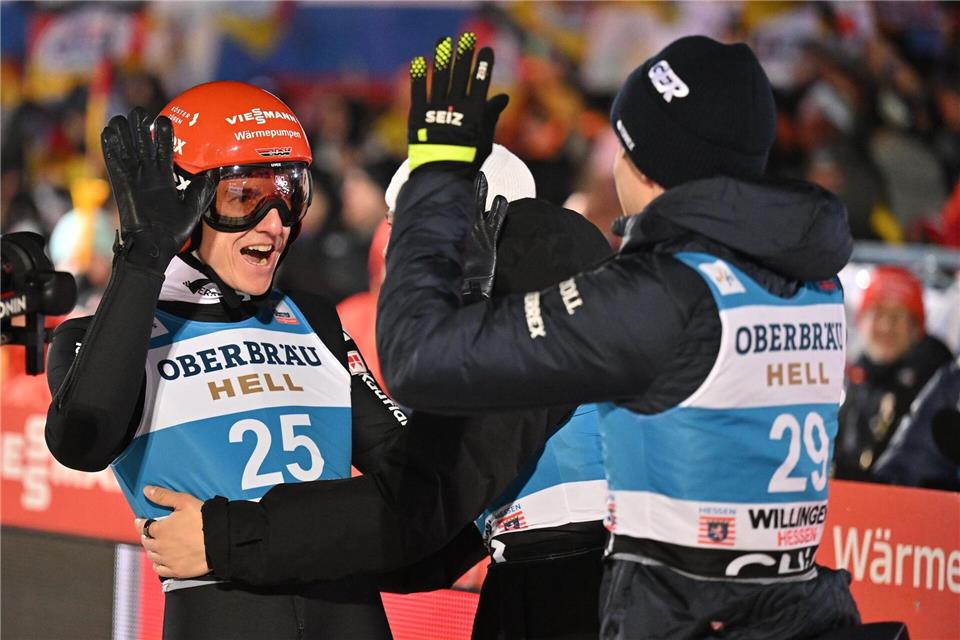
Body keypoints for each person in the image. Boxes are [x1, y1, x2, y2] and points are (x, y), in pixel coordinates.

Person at [377, 33, 862, 638]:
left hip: (679, 620)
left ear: (645, 161)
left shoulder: (661, 293)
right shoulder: (813, 280)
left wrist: (437, 178)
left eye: (621, 145)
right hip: (793, 612)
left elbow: (420, 357)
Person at [135, 149, 612, 639]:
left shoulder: (533, 270)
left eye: (402, 225)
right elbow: (427, 545)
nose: (389, 251)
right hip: (546, 588)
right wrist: (296, 555)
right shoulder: (499, 304)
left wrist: (227, 538)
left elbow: (419, 497)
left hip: (582, 592)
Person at [44, 82, 406, 640]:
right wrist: (143, 258)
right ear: (184, 204)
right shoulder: (96, 338)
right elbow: (81, 442)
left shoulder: (313, 318)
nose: (275, 222)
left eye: (289, 194)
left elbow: (412, 478)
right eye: (244, 197)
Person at [835, 266, 954, 480]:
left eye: (898, 316)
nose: (886, 326)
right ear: (861, 322)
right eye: (877, 313)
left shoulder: (935, 386)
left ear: (916, 329)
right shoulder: (852, 380)